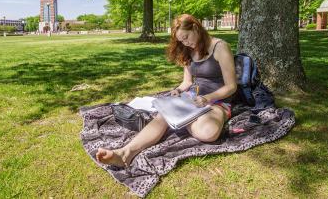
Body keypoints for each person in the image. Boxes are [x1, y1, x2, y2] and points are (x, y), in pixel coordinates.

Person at [96, 14, 237, 168]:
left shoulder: (220, 47)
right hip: (192, 99)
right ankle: (124, 153)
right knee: (162, 116)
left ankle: (178, 120)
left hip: (216, 102)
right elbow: (187, 82)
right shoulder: (189, 50)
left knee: (208, 133)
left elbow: (231, 86)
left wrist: (207, 98)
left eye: (186, 37)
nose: (186, 43)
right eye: (181, 41)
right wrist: (177, 90)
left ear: (196, 28)